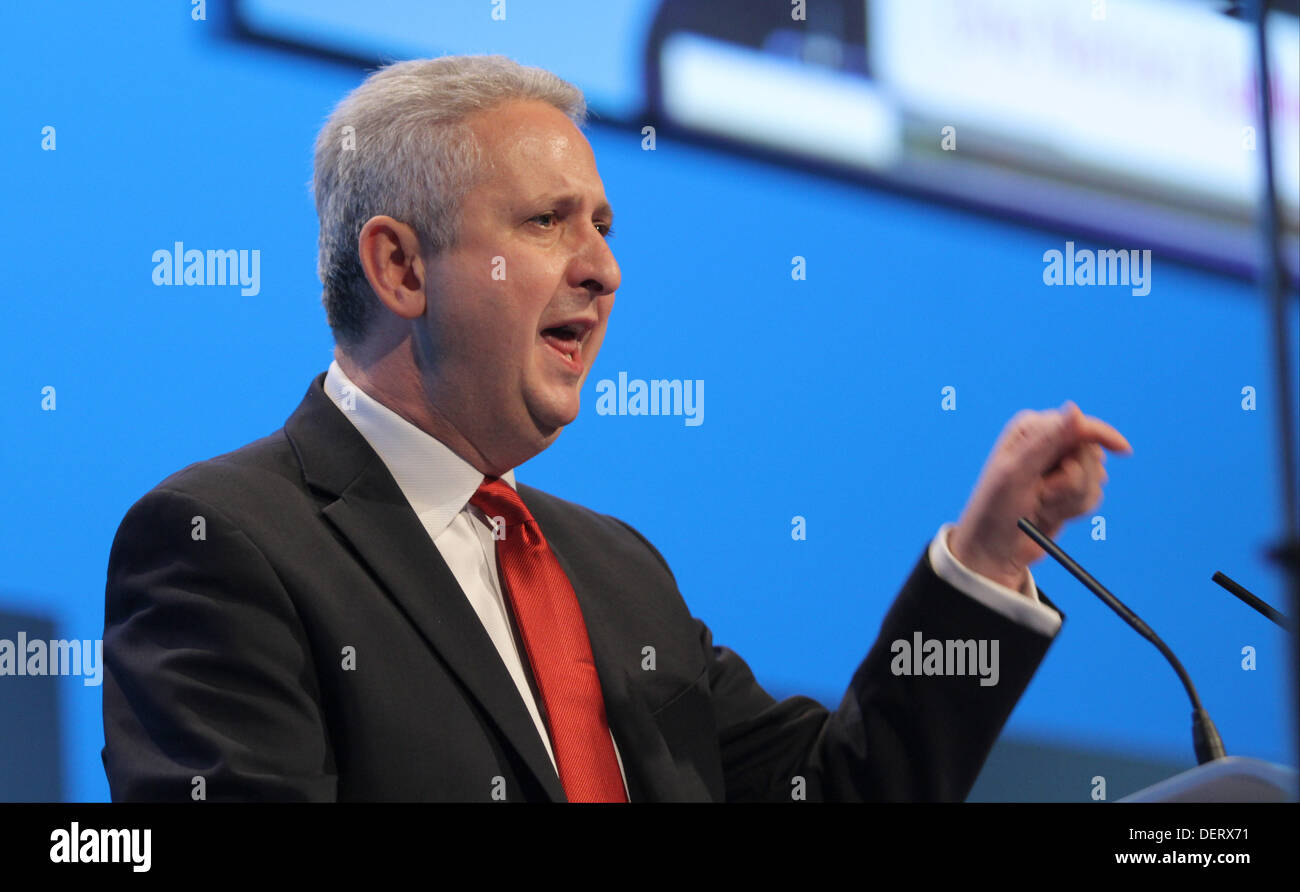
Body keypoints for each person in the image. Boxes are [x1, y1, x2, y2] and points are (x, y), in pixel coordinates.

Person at [101, 55, 1130, 802]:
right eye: (547, 222)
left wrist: (989, 560)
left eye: (601, 225)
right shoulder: (224, 544)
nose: (602, 268)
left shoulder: (613, 569)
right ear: (400, 268)